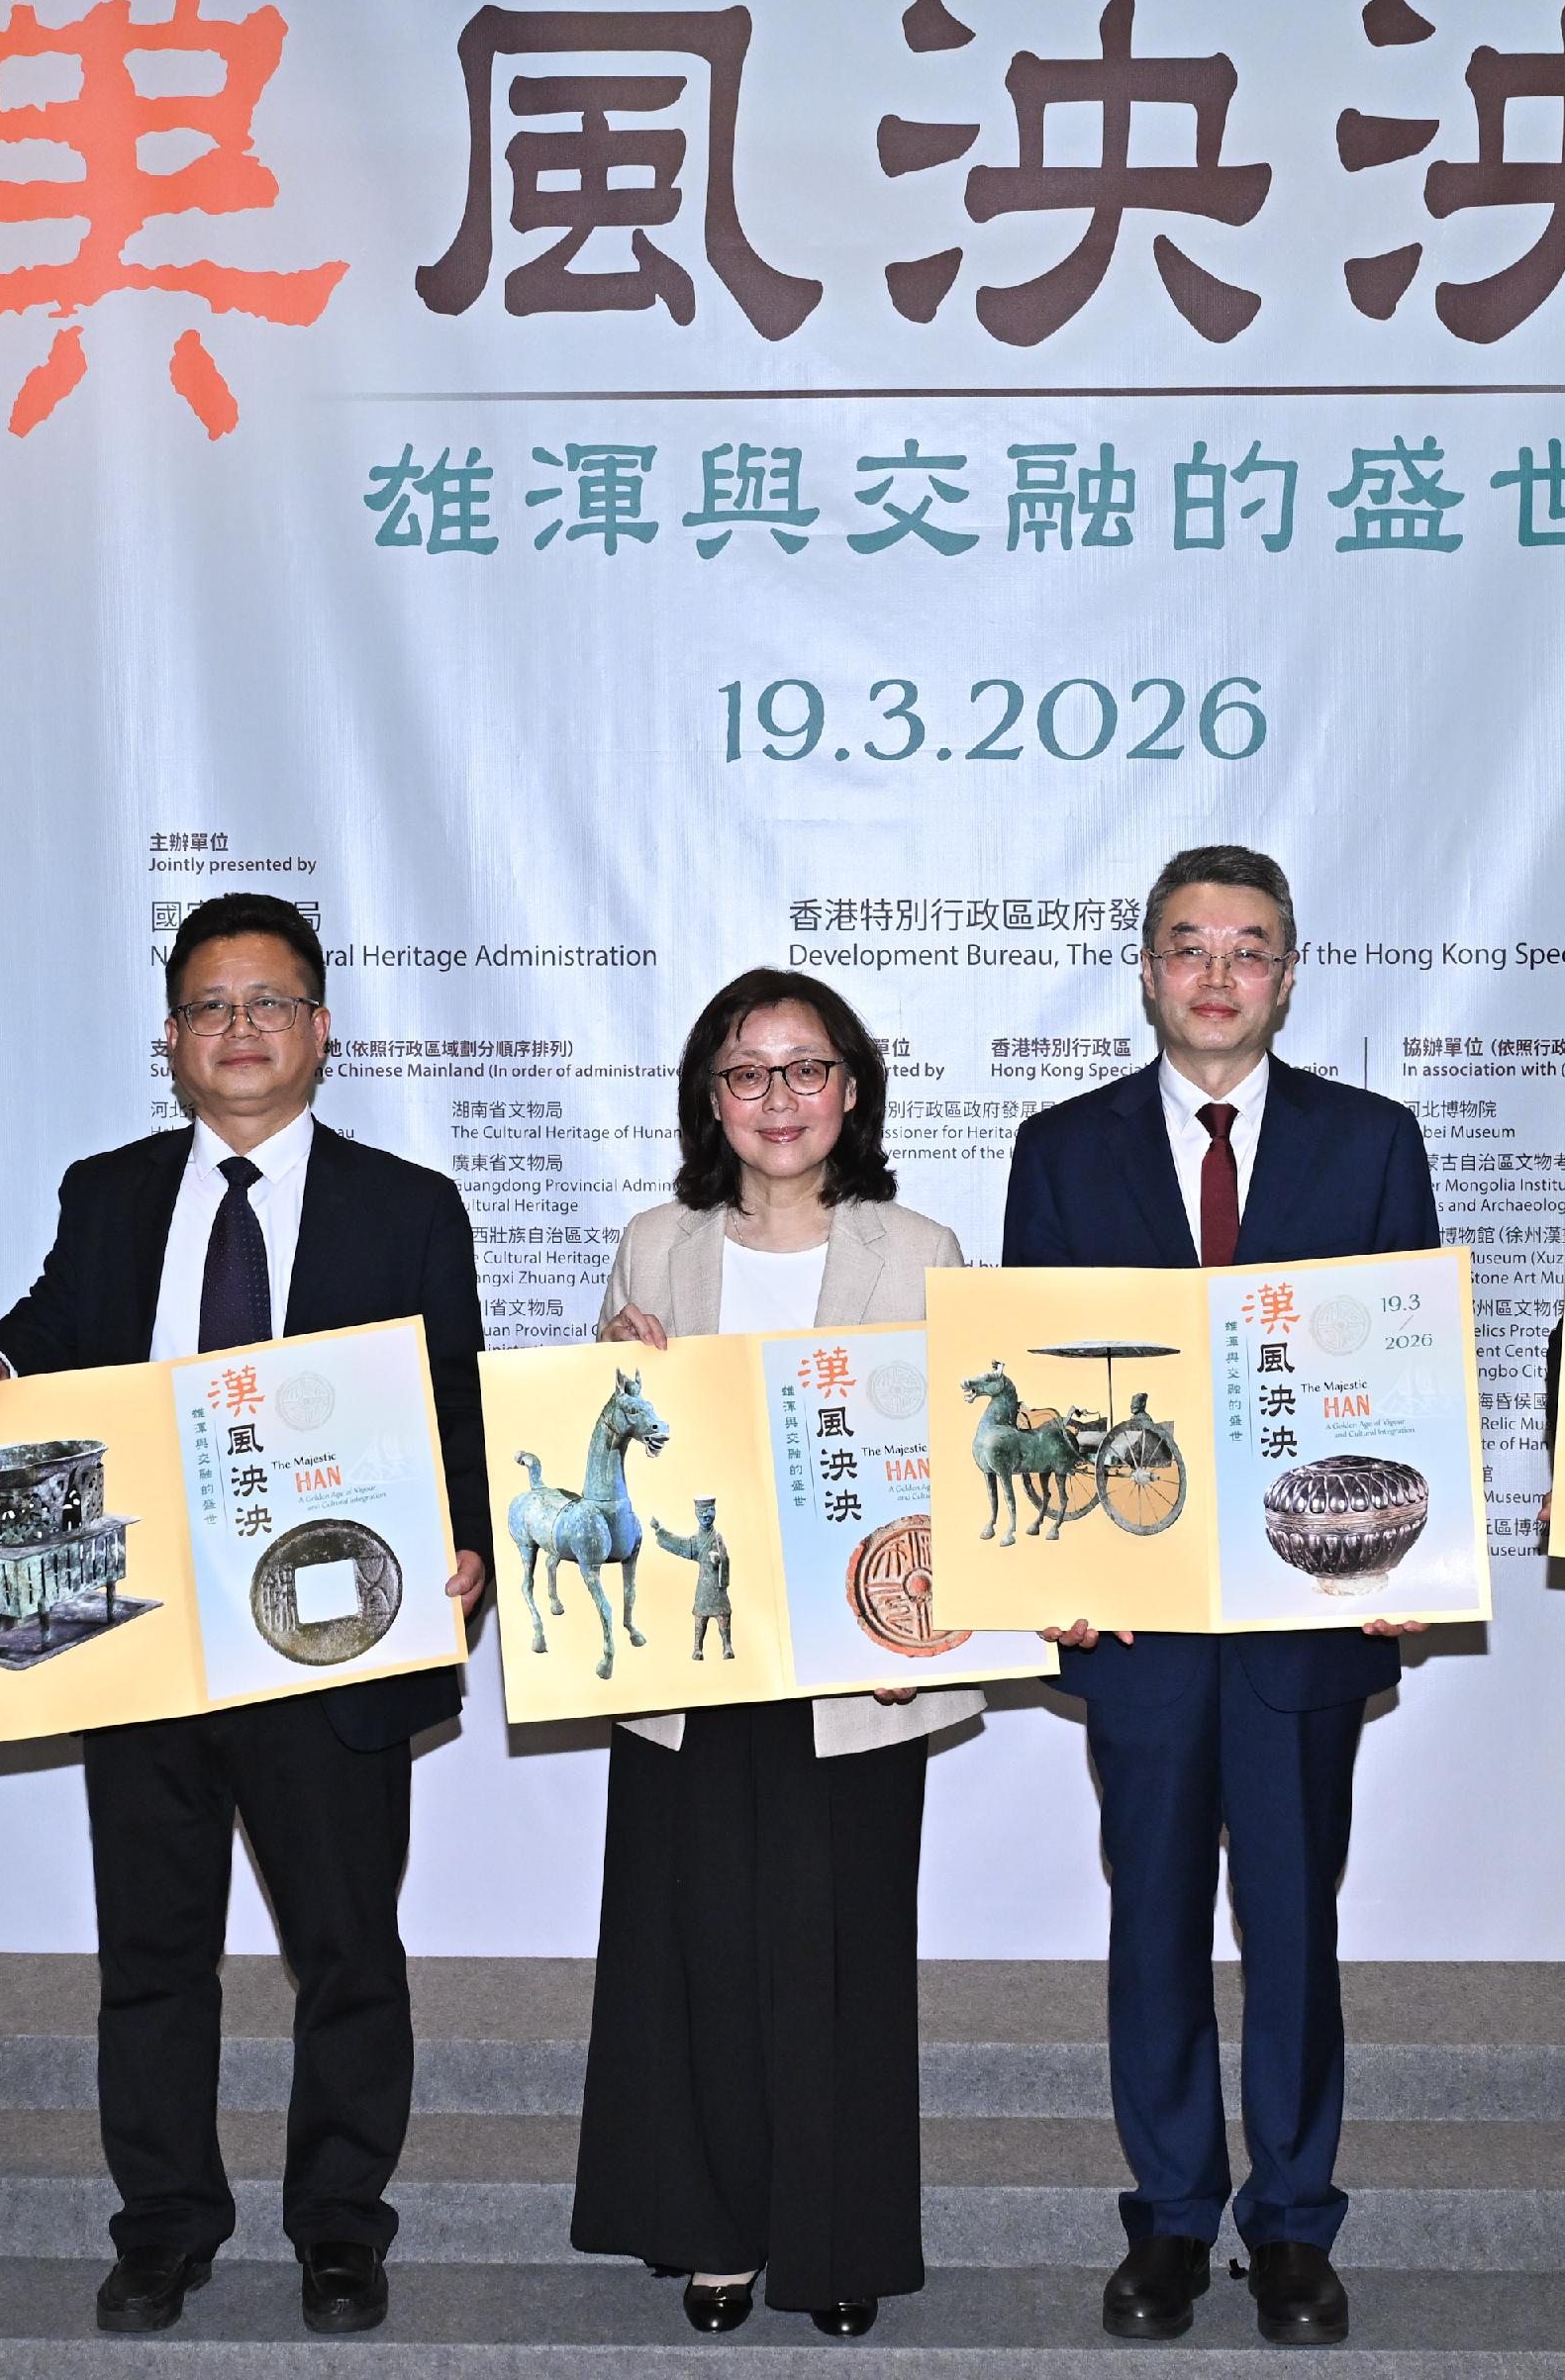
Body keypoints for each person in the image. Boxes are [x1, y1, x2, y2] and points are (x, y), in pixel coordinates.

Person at [0, 892, 491, 2338]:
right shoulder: (110, 1190)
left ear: (319, 1029)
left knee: (348, 1952)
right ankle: (167, 2223)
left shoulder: (410, 1206)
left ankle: (338, 2228)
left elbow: (457, 1409)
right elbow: (59, 1323)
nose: (238, 1031)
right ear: (172, 1040)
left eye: (267, 1003)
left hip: (336, 1644)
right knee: (155, 1952)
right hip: (148, 1638)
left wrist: (476, 1544)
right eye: (208, 1007)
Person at [1002, 846, 1440, 2348]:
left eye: (1248, 949)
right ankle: (1172, 2220)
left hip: (1309, 1607)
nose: (1215, 974)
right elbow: (1046, 1384)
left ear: (1290, 973)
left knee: (1293, 1924)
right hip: (1138, 1618)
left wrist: (1406, 1559)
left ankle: (1295, 2229)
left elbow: (1403, 1373)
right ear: (1145, 967)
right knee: (1155, 1923)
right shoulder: (1060, 1149)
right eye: (1187, 945)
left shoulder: (1372, 1139)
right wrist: (1054, 1572)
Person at [571, 969, 973, 2338]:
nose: (779, 1099)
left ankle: (838, 2240)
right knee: (693, 1956)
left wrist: (936, 1621)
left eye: (806, 1070)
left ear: (851, 1088)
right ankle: (716, 2232)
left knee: (842, 1957)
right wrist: (608, 1367)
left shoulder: (918, 1250)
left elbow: (957, 1474)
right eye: (748, 1073)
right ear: (711, 1097)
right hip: (694, 1665)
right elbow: (595, 1453)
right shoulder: (656, 1245)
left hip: (854, 1671)